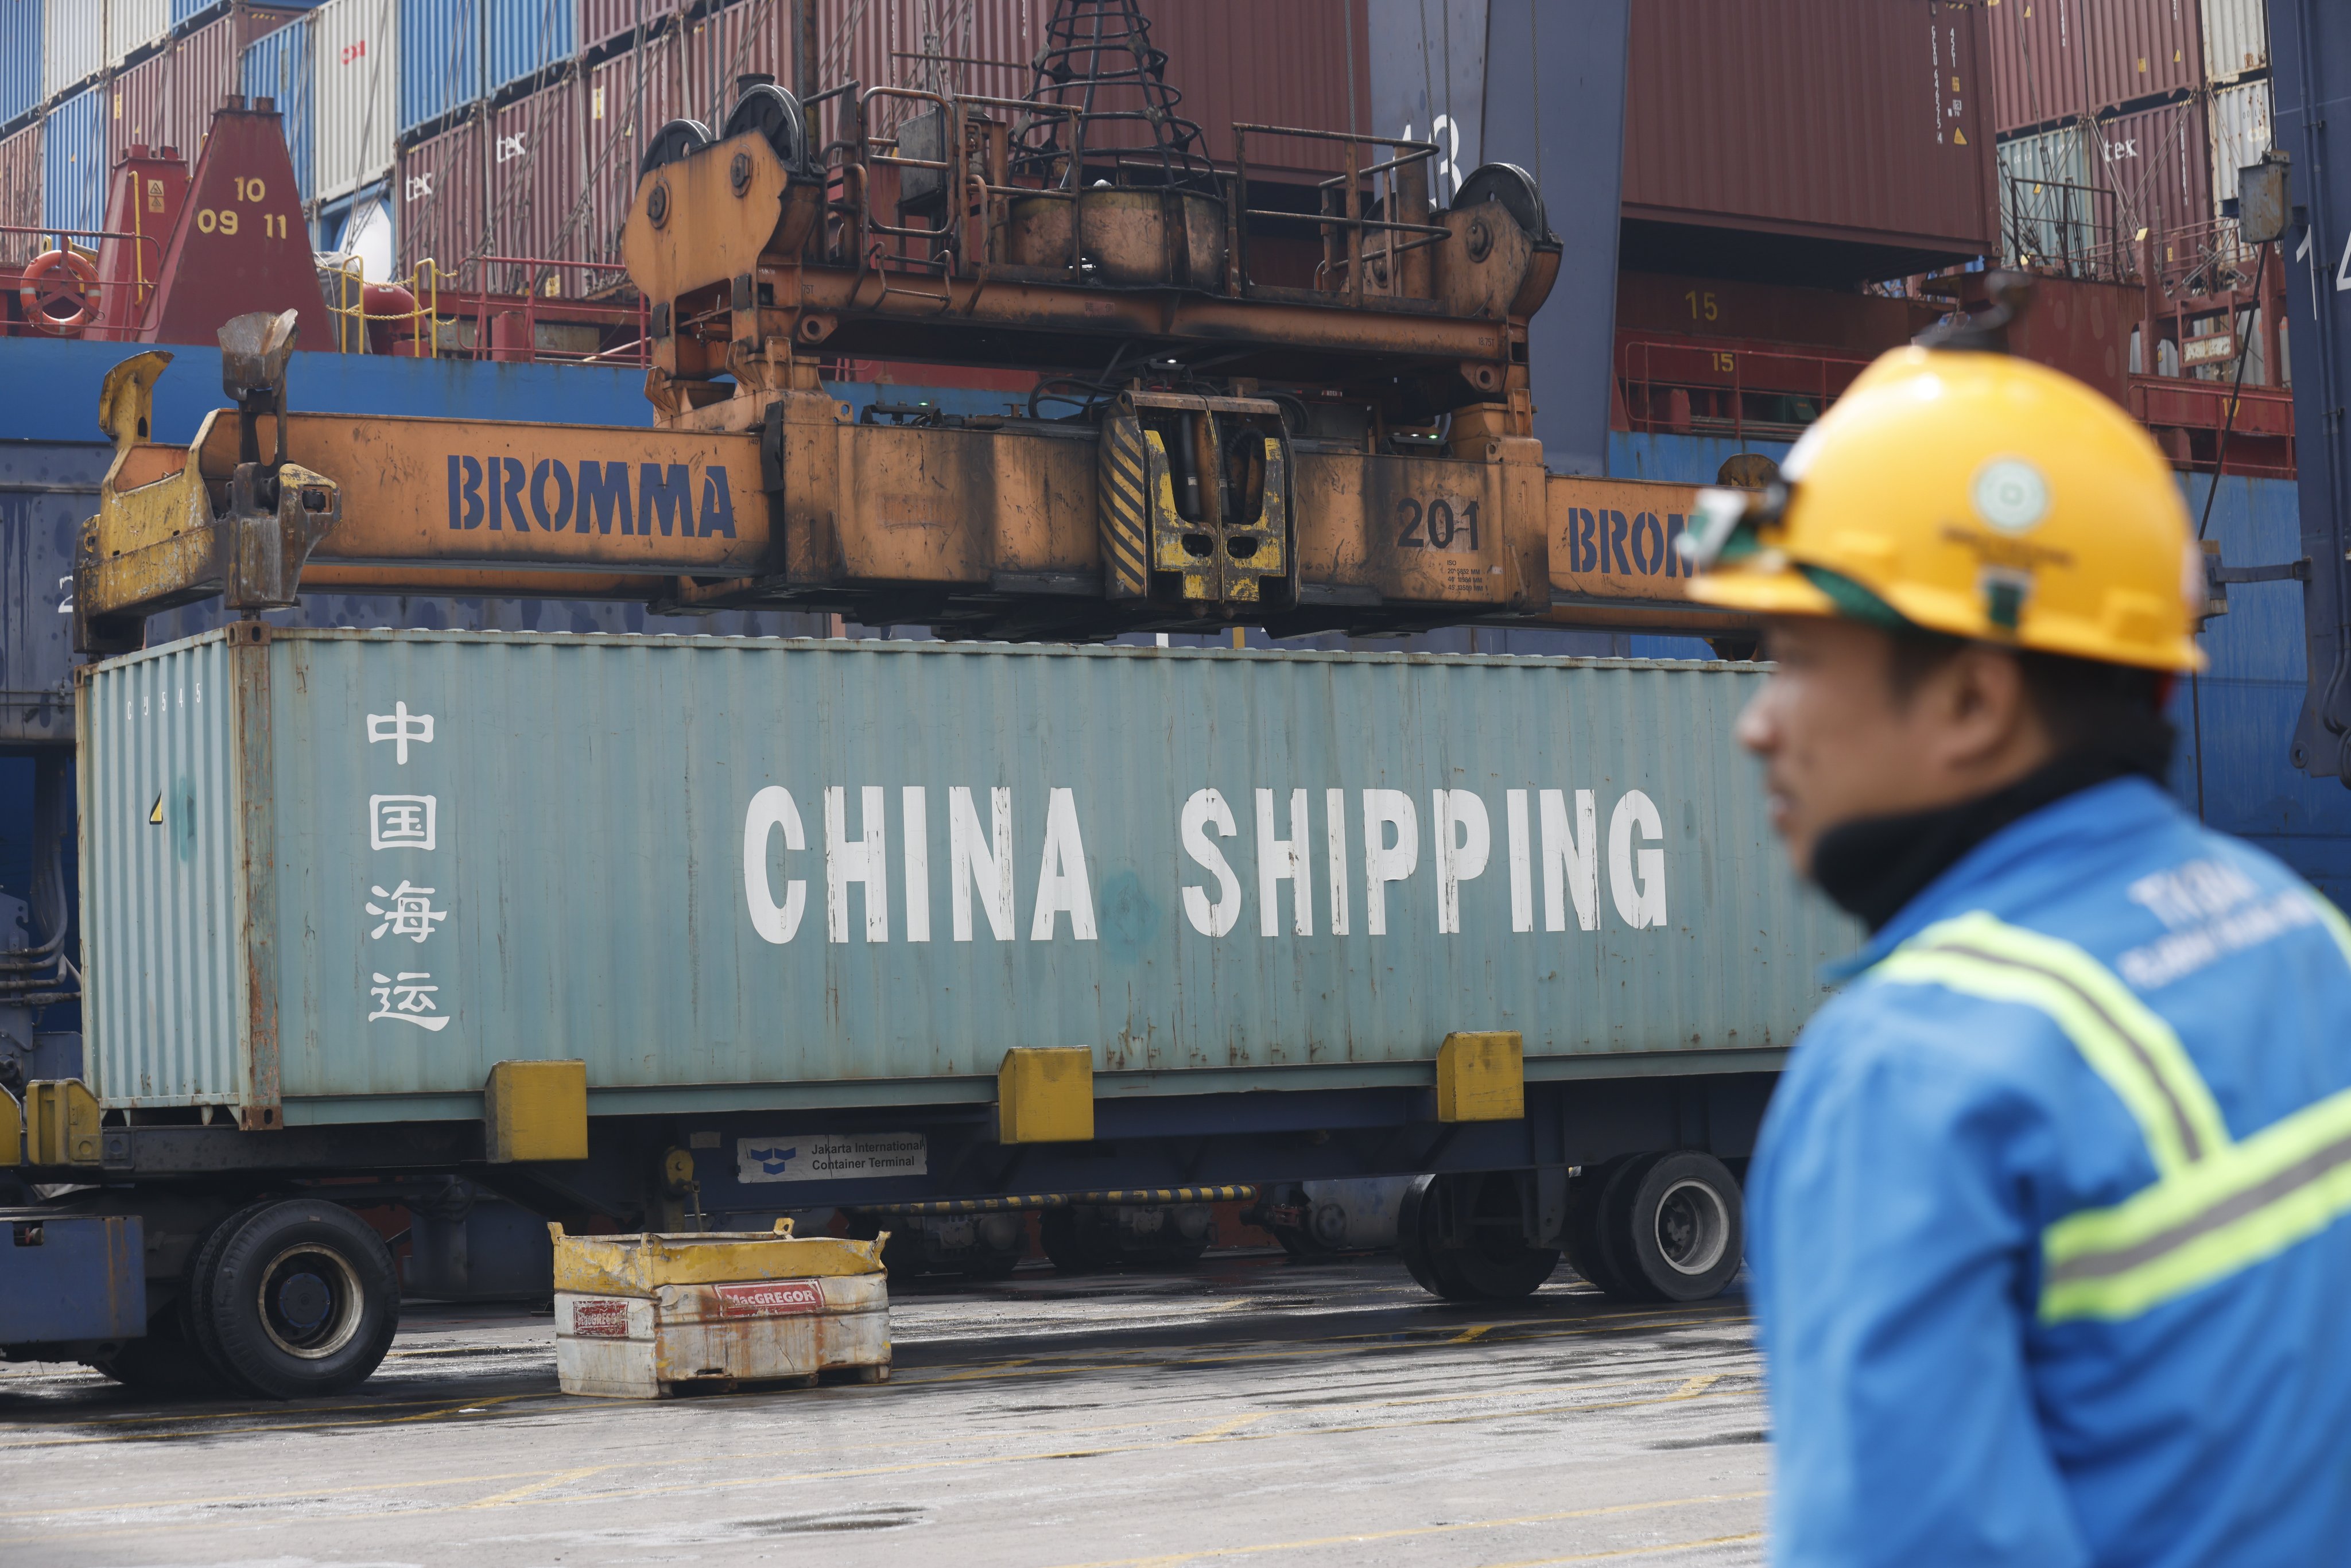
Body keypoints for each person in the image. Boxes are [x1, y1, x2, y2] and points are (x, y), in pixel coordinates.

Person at [1679, 300, 2351, 1566]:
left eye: (1799, 661)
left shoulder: (1910, 1075)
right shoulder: (2301, 944)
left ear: (1976, 698)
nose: (1756, 724)